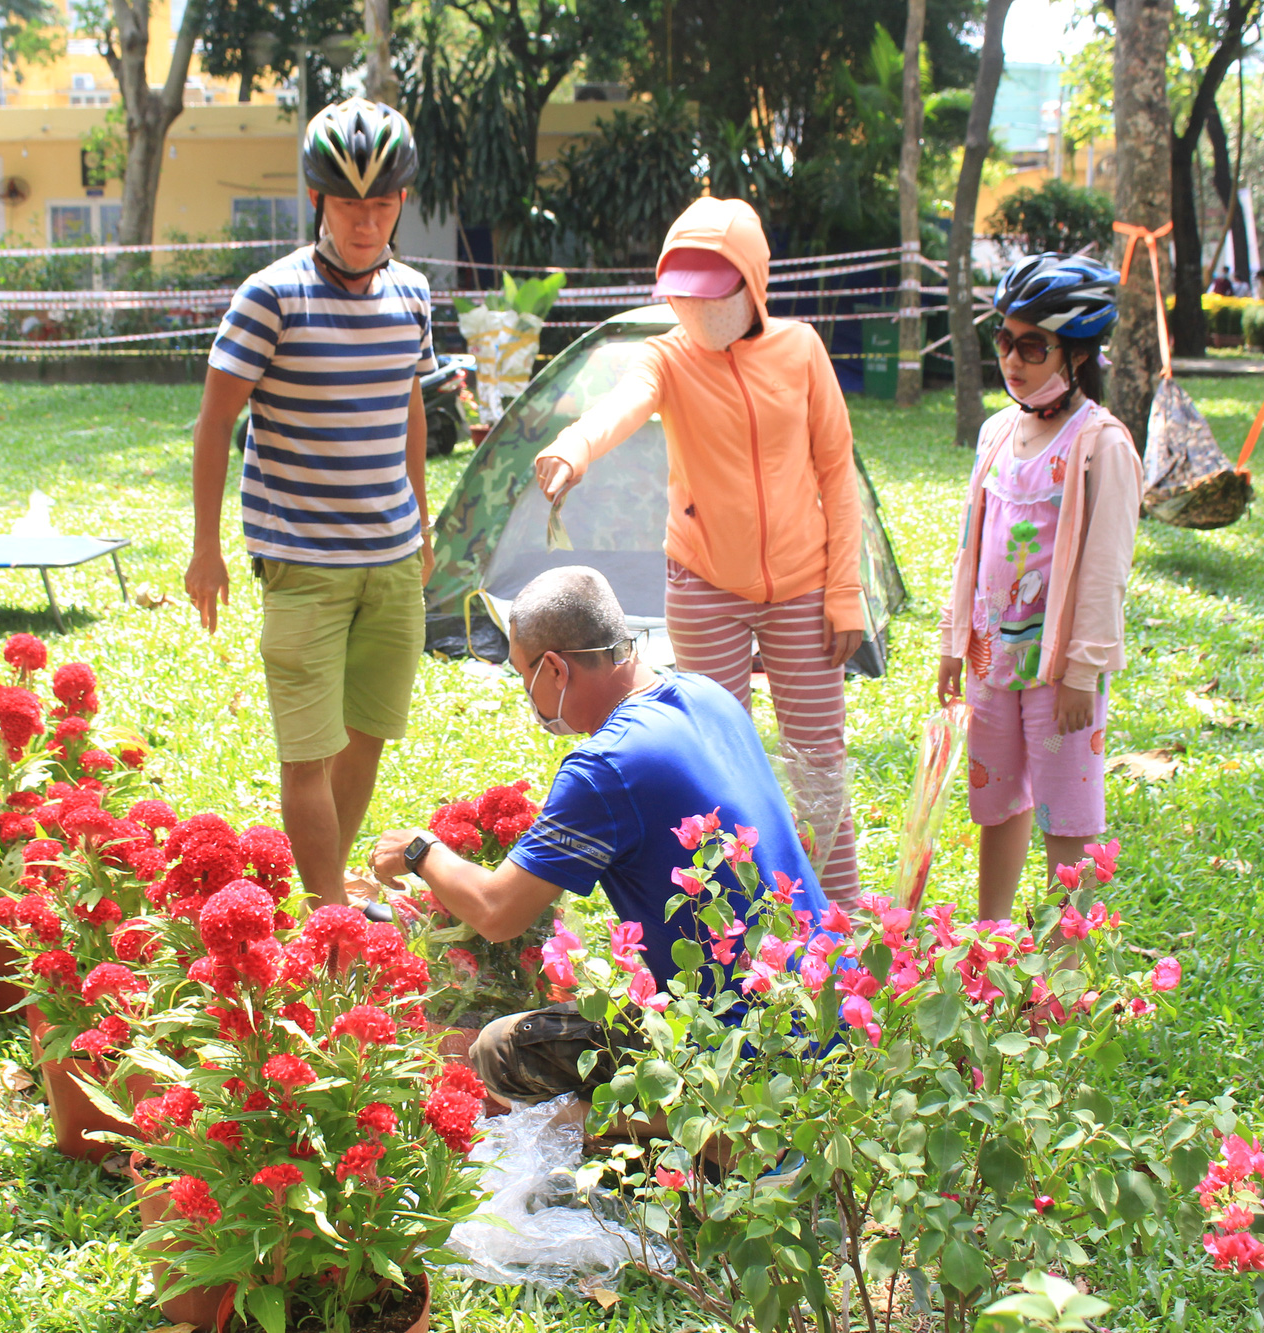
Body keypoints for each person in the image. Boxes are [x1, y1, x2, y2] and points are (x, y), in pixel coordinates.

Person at [370, 566, 828, 1107]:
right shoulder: (708, 695)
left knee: (499, 1050)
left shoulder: (605, 767)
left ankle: (719, 1146)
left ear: (556, 669)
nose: (527, 696)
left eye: (524, 677)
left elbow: (498, 912)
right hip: (827, 1008)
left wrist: (422, 852)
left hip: (744, 1056)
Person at [528, 197, 865, 903]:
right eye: (684, 296)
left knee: (819, 766)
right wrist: (573, 447)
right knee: (712, 762)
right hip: (706, 585)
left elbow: (837, 470)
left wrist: (844, 594)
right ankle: (734, 922)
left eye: (715, 294)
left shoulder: (801, 349)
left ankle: (842, 922)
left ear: (753, 284)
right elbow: (620, 404)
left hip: (804, 586)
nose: (700, 311)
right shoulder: (668, 356)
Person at [186, 98, 434, 905]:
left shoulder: (413, 297)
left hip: (391, 560)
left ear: (402, 201)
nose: (366, 221)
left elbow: (409, 407)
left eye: (381, 202)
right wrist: (206, 547)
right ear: (319, 201)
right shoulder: (270, 296)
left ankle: (335, 888)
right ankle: (330, 922)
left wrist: (422, 522)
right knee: (306, 751)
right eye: (348, 202)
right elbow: (217, 419)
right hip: (303, 563)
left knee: (366, 737)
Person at [934, 254, 1140, 926]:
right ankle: (991, 937)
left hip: (1058, 675)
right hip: (993, 662)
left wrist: (1084, 670)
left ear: (1077, 354)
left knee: (1065, 813)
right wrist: (952, 640)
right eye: (1005, 341)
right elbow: (972, 543)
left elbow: (1107, 566)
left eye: (1032, 345)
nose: (1013, 360)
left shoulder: (1100, 444)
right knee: (997, 802)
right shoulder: (998, 433)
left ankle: (1067, 960)